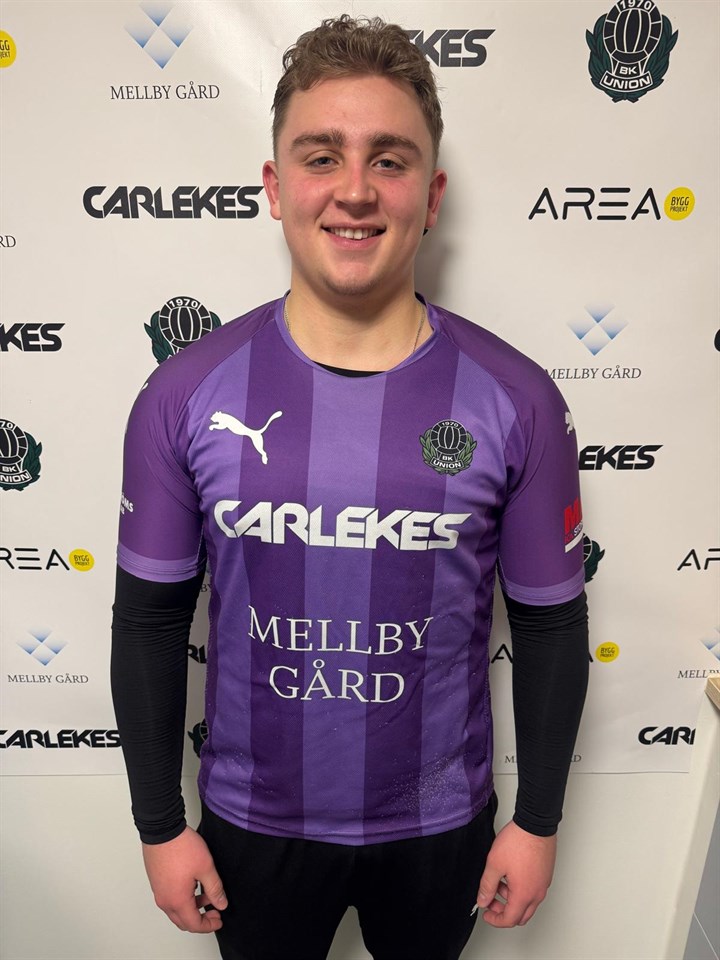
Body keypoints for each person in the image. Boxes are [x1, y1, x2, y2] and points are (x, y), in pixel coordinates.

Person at [111, 15, 589, 960]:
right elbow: (150, 622)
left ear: (432, 194)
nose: (357, 189)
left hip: (440, 827)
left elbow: (549, 625)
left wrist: (537, 820)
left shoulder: (518, 399)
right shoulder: (185, 395)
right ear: (275, 185)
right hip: (252, 823)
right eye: (322, 156)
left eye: (390, 159)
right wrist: (159, 825)